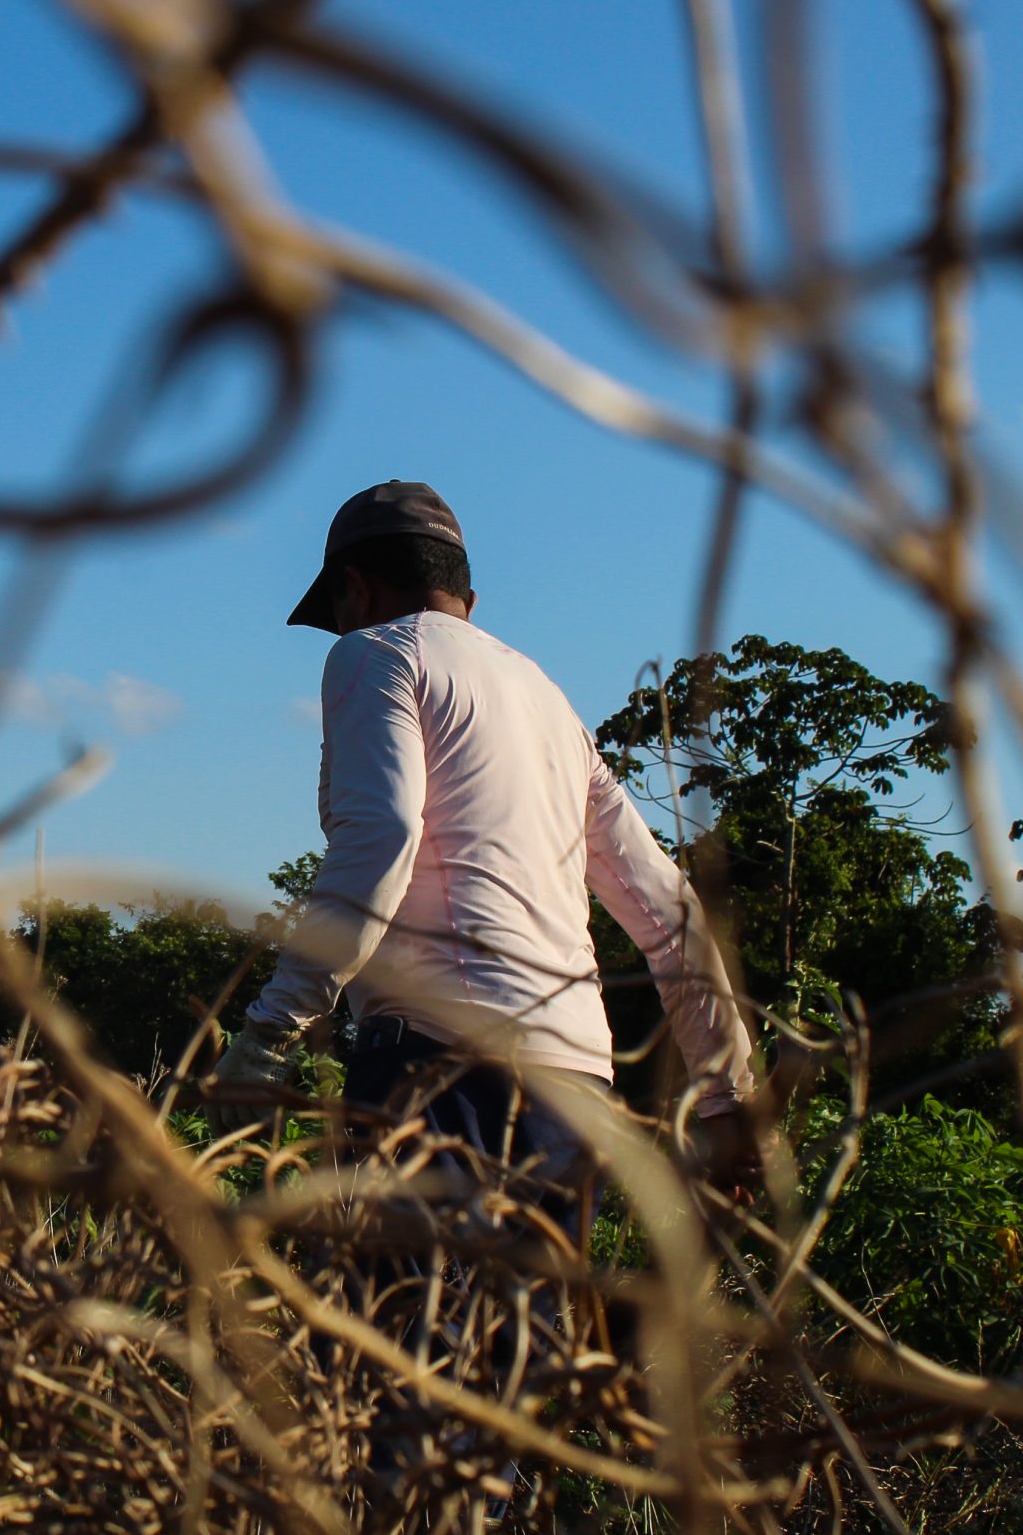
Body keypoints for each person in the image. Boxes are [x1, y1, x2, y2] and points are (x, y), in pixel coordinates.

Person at [206, 480, 758, 1206]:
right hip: (578, 1088)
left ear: (353, 591)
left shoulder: (376, 655)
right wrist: (727, 1098)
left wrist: (276, 1025)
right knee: (532, 1321)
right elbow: (664, 906)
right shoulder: (550, 703)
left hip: (442, 1069)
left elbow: (383, 836)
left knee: (416, 1318)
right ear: (468, 599)